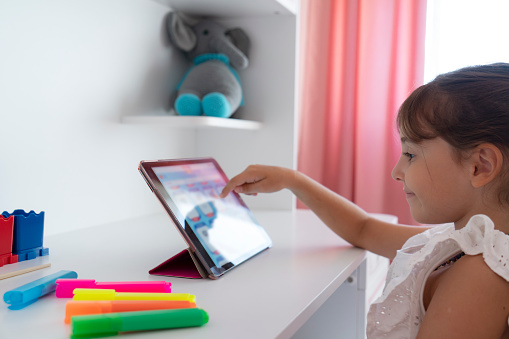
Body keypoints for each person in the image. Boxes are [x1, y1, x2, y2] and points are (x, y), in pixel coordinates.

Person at [220, 63, 509, 338]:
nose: (397, 172)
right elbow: (364, 229)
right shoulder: (463, 245)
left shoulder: (479, 275)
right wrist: (292, 180)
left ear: (479, 166)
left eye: (410, 154)